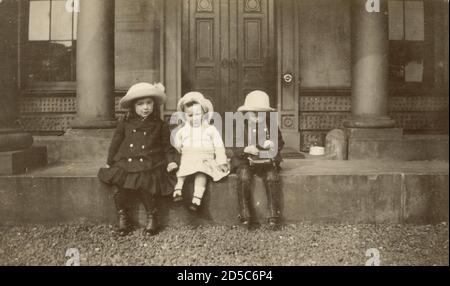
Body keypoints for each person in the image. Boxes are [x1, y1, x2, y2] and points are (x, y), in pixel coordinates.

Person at [98, 82, 179, 236]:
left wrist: (171, 161)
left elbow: (167, 147)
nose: (145, 107)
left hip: (150, 161)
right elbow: (116, 142)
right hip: (126, 160)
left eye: (149, 103)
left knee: (145, 182)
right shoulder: (125, 123)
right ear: (133, 107)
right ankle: (123, 216)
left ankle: (152, 215)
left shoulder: (160, 125)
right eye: (140, 104)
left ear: (154, 105)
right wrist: (109, 161)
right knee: (119, 185)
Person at [231, 90, 285, 230]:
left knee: (272, 177)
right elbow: (234, 145)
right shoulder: (239, 125)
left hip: (265, 160)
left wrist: (272, 145)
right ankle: (245, 215)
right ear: (246, 112)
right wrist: (246, 149)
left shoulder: (270, 124)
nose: (256, 116)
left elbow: (280, 142)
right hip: (245, 160)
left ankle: (273, 215)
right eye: (252, 113)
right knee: (243, 177)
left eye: (260, 113)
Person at [172, 92, 230, 211]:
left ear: (204, 113)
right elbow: (176, 145)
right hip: (188, 157)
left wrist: (221, 161)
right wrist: (177, 154)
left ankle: (197, 199)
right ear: (185, 116)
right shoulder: (182, 130)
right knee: (182, 170)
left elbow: (219, 146)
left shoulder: (210, 129)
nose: (194, 118)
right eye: (190, 115)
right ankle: (178, 190)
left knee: (201, 173)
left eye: (198, 114)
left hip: (205, 158)